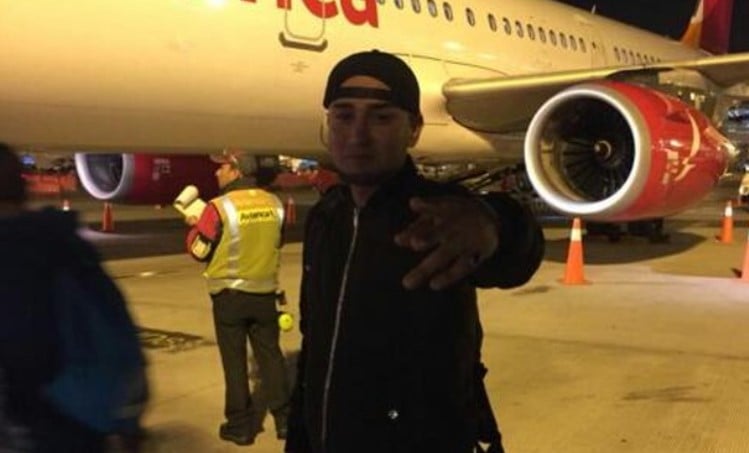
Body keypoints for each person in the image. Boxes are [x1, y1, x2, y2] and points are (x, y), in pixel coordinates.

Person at [285, 51, 544, 453]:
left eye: (382, 117)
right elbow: (314, 344)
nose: (357, 135)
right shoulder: (325, 217)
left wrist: (494, 223)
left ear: (414, 130)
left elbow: (519, 254)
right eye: (343, 115)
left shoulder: (441, 213)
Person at [0, 143, 147, 452]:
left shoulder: (26, 255)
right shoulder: (65, 247)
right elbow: (119, 340)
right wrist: (127, 425)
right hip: (80, 423)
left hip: (38, 427)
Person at [185, 149, 291, 445]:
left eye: (223, 168)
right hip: (265, 294)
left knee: (234, 363)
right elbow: (278, 240)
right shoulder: (275, 203)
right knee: (271, 357)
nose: (217, 172)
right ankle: (285, 420)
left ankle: (241, 426)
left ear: (236, 172)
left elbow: (199, 251)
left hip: (230, 296)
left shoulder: (219, 207)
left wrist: (194, 229)